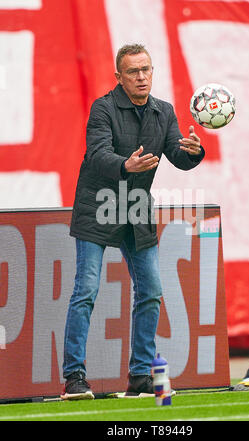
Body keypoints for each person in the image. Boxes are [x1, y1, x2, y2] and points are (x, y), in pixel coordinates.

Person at [61, 43, 205, 400]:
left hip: (136, 206)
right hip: (97, 205)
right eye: (133, 72)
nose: (141, 77)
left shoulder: (164, 112)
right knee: (86, 290)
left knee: (152, 290)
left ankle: (141, 375)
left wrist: (194, 153)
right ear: (119, 77)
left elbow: (176, 155)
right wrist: (126, 165)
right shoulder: (103, 108)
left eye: (146, 70)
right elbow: (97, 155)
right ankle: (74, 378)